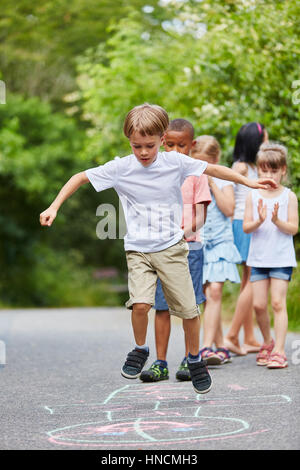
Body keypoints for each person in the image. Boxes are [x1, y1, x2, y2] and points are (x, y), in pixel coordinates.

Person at [39, 103, 276, 394]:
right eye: (136, 146)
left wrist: (248, 182)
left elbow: (213, 168)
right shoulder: (121, 168)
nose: (142, 152)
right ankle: (140, 349)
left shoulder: (175, 162)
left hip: (172, 248)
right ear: (129, 142)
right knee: (140, 305)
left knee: (189, 310)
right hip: (138, 250)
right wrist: (54, 206)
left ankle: (194, 358)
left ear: (162, 140)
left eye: (149, 146)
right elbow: (80, 177)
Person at [140, 119, 212, 383]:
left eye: (181, 145)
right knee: (161, 307)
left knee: (189, 307)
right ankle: (160, 363)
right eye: (169, 144)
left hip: (189, 248)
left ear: (191, 146)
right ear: (161, 143)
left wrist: (181, 233)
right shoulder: (155, 173)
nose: (174, 150)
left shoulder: (196, 174)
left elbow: (202, 214)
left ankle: (190, 358)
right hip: (158, 248)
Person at [243, 142, 298, 368]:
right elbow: (246, 227)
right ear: (258, 170)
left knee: (277, 303)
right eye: (264, 170)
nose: (269, 175)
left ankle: (279, 351)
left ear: (283, 170)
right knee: (258, 305)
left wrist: (276, 221)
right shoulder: (252, 196)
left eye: (273, 170)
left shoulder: (289, 196)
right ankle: (267, 342)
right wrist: (259, 220)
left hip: (281, 258)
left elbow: (294, 228)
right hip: (258, 259)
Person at [191, 136, 242, 365]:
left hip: (221, 243)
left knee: (215, 294)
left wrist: (211, 182)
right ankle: (221, 346)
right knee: (206, 298)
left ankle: (205, 347)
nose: (202, 168)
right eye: (197, 163)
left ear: (216, 160)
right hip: (200, 244)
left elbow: (229, 208)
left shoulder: (223, 181)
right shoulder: (191, 179)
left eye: (205, 164)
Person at [225, 122, 269, 355]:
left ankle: (249, 337)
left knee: (247, 281)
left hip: (249, 225)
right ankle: (232, 335)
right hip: (244, 225)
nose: (267, 145)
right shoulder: (241, 167)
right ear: (254, 142)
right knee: (254, 280)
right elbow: (227, 195)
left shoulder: (252, 166)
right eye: (264, 141)